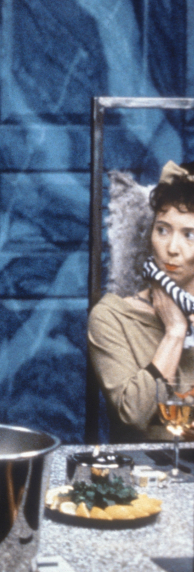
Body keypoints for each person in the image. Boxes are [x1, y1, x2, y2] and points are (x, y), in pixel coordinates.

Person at [89, 160, 194, 441]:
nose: (172, 248)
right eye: (163, 230)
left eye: (189, 235)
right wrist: (174, 332)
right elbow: (134, 416)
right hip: (145, 467)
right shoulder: (113, 317)